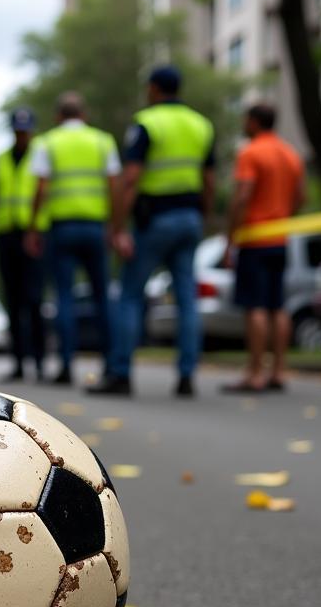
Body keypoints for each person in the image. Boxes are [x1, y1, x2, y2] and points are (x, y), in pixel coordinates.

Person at [93, 65, 215, 398]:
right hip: (189, 218)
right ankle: (187, 376)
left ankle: (120, 373)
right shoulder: (201, 125)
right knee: (187, 299)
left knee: (131, 294)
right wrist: (202, 215)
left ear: (155, 88)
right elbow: (209, 180)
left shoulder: (147, 123)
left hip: (155, 221)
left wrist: (118, 228)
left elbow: (131, 179)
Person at [25, 92, 121, 386]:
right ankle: (110, 364)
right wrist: (115, 226)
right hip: (94, 227)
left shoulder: (47, 142)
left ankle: (66, 364)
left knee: (63, 297)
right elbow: (115, 185)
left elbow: (41, 188)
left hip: (62, 228)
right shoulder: (103, 141)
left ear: (57, 116)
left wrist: (33, 228)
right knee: (102, 297)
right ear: (85, 114)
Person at [222, 103, 305, 392]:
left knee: (255, 306)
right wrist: (282, 218)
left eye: (245, 119)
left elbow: (242, 196)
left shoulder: (250, 152)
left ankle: (255, 373)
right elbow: (301, 197)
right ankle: (279, 370)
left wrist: (230, 237)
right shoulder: (291, 154)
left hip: (255, 240)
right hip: (279, 240)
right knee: (277, 306)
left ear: (255, 122)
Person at [0, 107, 47, 383]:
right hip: (7, 236)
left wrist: (35, 229)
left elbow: (45, 192)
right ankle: (19, 363)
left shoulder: (42, 158)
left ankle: (41, 362)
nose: (22, 135)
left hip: (35, 236)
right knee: (14, 301)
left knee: (34, 300)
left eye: (26, 130)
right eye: (18, 130)